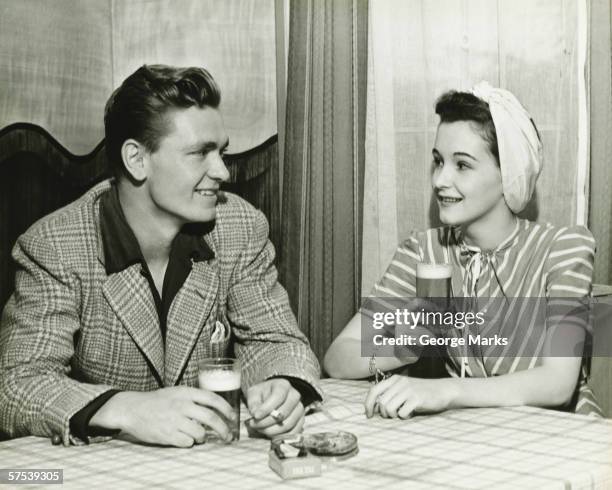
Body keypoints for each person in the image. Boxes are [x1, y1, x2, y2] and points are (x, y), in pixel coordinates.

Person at [0, 64, 322, 446]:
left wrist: (281, 384)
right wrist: (128, 409)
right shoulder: (56, 246)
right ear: (137, 159)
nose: (222, 171)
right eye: (200, 153)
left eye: (221, 151)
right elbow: (17, 386)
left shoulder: (238, 226)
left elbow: (277, 341)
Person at [324, 81, 602, 418]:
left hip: (559, 434)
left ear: (509, 174)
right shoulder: (423, 252)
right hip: (472, 436)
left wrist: (445, 390)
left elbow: (557, 383)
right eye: (439, 161)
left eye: (462, 165)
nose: (440, 180)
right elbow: (339, 356)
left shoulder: (562, 249)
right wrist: (407, 346)